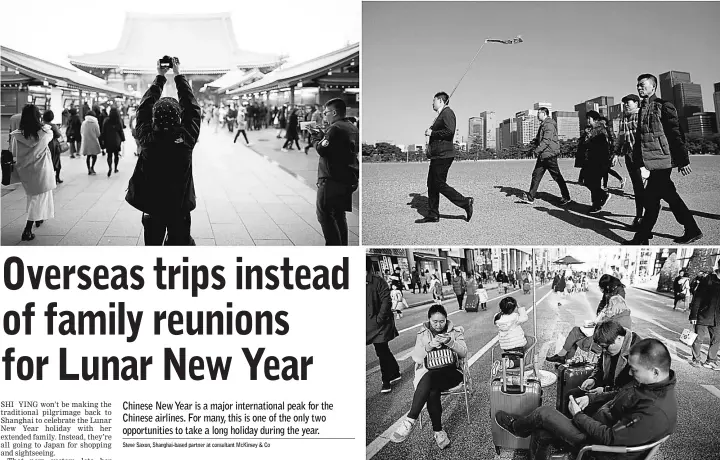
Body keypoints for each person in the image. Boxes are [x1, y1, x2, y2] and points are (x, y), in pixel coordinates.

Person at [495, 338, 677, 460]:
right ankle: (525, 433)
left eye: (634, 370)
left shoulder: (655, 410)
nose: (630, 373)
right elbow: (620, 394)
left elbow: (610, 438)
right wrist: (590, 399)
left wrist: (578, 416)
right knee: (542, 433)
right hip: (598, 425)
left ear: (655, 371)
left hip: (598, 448)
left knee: (544, 414)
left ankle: (517, 428)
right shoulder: (651, 385)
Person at [125, 57, 201, 246]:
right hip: (180, 207)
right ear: (179, 117)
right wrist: (178, 76)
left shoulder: (147, 139)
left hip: (153, 207)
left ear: (153, 118)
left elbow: (143, 109)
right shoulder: (186, 138)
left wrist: (160, 77)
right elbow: (192, 109)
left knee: (153, 245)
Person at [624, 73, 702, 245]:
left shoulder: (663, 106)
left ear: (654, 87)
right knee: (668, 197)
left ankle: (641, 239)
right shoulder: (644, 108)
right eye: (638, 85)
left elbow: (675, 133)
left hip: (662, 160)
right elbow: (641, 138)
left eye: (643, 84)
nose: (639, 87)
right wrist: (638, 160)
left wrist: (682, 160)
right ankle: (692, 229)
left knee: (651, 201)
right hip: (652, 160)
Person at [391, 303, 467, 449]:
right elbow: (417, 359)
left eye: (442, 321)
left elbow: (463, 352)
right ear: (429, 320)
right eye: (435, 322)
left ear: (446, 319)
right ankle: (438, 431)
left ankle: (410, 421)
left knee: (430, 380)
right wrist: (430, 345)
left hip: (452, 373)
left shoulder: (455, 331)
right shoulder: (423, 334)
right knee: (432, 389)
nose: (438, 325)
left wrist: (450, 342)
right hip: (430, 373)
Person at [547, 274, 631, 363]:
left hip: (601, 341)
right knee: (575, 333)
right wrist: (599, 317)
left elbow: (607, 331)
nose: (607, 308)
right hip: (602, 334)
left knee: (575, 334)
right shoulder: (622, 313)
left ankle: (563, 358)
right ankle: (564, 359)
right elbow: (604, 307)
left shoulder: (617, 317)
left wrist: (599, 321)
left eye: (609, 307)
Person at [419, 91, 474, 224]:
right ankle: (433, 214)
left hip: (444, 155)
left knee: (438, 183)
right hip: (437, 155)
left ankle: (465, 202)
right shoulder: (441, 115)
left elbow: (450, 131)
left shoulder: (448, 113)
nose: (432, 103)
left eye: (434, 100)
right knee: (431, 184)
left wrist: (432, 132)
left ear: (440, 101)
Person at [311, 98, 359, 246]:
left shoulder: (335, 128)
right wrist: (323, 136)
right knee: (339, 215)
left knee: (325, 216)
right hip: (348, 178)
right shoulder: (352, 127)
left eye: (326, 113)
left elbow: (322, 149)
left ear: (334, 112)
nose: (325, 116)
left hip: (331, 180)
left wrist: (315, 138)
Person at [9, 104, 56, 241]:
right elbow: (51, 136)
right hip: (41, 170)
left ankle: (38, 218)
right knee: (38, 197)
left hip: (25, 170)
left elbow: (13, 153)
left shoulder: (16, 136)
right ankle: (27, 229)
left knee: (34, 196)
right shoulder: (45, 133)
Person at [520, 107, 572, 206]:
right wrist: (532, 147)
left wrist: (536, 151)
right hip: (543, 155)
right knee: (536, 175)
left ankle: (566, 197)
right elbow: (539, 139)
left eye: (538, 113)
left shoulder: (549, 124)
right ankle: (530, 197)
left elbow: (546, 141)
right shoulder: (544, 124)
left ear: (544, 113)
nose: (537, 115)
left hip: (549, 155)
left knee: (557, 177)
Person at [367, 266, 402, 393]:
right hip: (368, 324)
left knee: (381, 350)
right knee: (383, 350)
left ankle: (386, 380)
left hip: (380, 324)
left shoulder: (377, 281)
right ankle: (395, 372)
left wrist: (379, 319)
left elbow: (386, 301)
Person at [613, 94, 645, 229]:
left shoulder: (642, 115)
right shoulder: (623, 118)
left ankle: (644, 217)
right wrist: (615, 153)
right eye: (624, 103)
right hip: (629, 156)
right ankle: (639, 217)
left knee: (648, 188)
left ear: (637, 103)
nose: (626, 104)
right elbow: (620, 137)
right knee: (637, 187)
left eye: (628, 102)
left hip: (643, 156)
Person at [688, 259, 720, 370]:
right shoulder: (708, 279)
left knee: (717, 339)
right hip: (703, 314)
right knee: (698, 338)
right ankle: (696, 360)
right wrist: (693, 315)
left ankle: (710, 361)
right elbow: (697, 298)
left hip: (718, 317)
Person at [579, 110, 612, 213]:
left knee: (594, 182)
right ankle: (602, 196)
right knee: (587, 181)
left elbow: (604, 144)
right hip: (589, 159)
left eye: (589, 118)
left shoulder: (601, 129)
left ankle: (596, 204)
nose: (587, 120)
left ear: (595, 119)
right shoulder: (589, 129)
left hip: (598, 159)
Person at [493, 297, 528, 370]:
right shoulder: (514, 317)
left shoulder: (497, 317)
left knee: (511, 359)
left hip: (505, 346)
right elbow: (524, 317)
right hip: (517, 345)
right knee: (522, 361)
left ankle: (506, 363)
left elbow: (501, 313)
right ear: (513, 308)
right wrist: (519, 307)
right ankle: (506, 364)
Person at [599, 116, 623, 190]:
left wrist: (614, 152)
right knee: (606, 169)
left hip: (609, 152)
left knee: (605, 169)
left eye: (601, 121)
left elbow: (613, 140)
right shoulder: (601, 130)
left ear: (604, 122)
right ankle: (620, 180)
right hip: (604, 152)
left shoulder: (609, 129)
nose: (600, 123)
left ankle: (605, 186)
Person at [102, 107, 125, 177]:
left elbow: (103, 131)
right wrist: (123, 139)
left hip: (108, 140)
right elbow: (121, 131)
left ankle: (110, 167)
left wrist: (103, 139)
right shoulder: (118, 121)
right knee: (116, 155)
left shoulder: (106, 120)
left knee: (109, 155)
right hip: (116, 140)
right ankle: (115, 168)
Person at [42, 110, 63, 184]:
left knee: (46, 161)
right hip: (53, 145)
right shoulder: (53, 126)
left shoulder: (41, 125)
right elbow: (58, 134)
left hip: (44, 144)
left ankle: (47, 177)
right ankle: (57, 177)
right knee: (56, 161)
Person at [79, 110, 102, 174]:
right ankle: (92, 167)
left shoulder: (84, 123)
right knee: (94, 155)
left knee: (88, 156)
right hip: (94, 141)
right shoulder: (95, 123)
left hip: (86, 141)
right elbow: (98, 133)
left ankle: (88, 168)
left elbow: (81, 132)